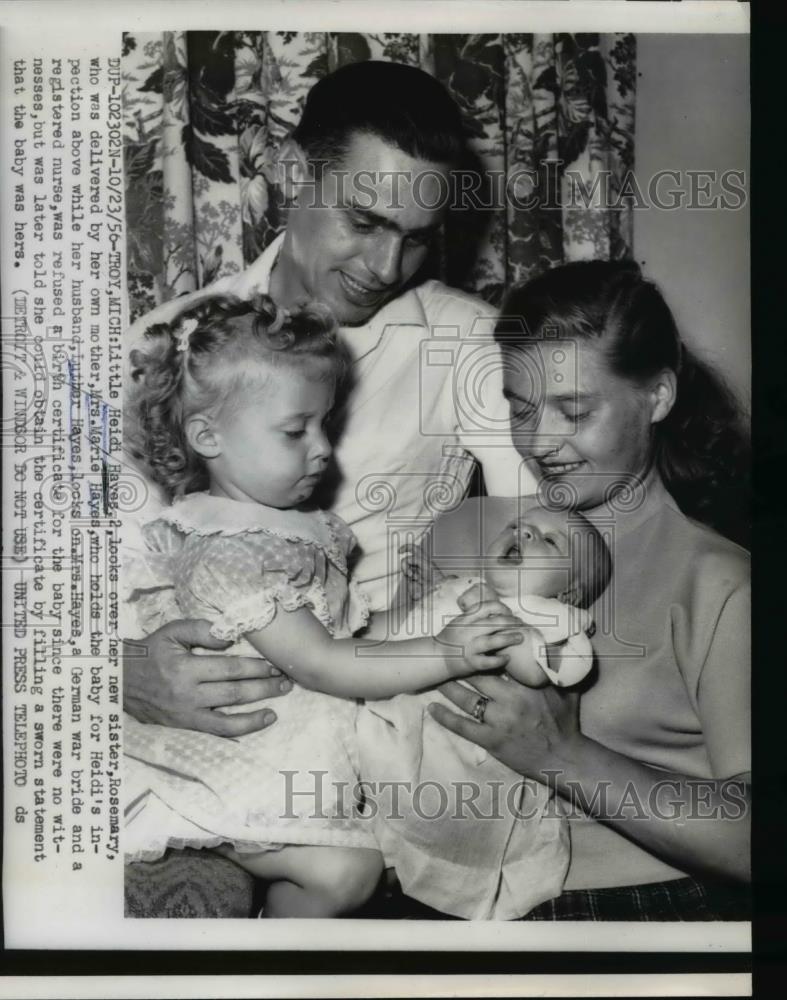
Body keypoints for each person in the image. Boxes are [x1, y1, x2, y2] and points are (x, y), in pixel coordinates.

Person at [122, 60, 536, 743]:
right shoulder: (166, 344)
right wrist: (118, 673)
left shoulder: (470, 343)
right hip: (203, 728)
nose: (384, 267)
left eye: (415, 238)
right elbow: (79, 565)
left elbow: (535, 533)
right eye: (364, 221)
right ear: (290, 172)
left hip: (380, 714)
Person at [123, 294, 523, 918]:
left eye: (324, 426)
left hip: (304, 752)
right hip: (235, 761)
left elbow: (355, 632)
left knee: (404, 838)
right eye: (294, 431)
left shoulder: (302, 529)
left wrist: (441, 612)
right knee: (346, 873)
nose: (323, 450)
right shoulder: (230, 552)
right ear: (207, 435)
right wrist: (446, 651)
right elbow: (323, 662)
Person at [430, 260, 751, 920]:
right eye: (521, 411)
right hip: (455, 905)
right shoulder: (480, 540)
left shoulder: (717, 584)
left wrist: (563, 755)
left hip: (629, 914)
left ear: (656, 397)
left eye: (573, 411)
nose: (540, 442)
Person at [357, 499, 612, 919]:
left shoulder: (556, 619)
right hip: (401, 733)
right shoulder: (463, 587)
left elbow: (535, 669)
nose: (523, 534)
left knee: (434, 836)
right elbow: (383, 636)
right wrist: (404, 607)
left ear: (569, 590)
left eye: (548, 540)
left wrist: (482, 610)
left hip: (462, 771)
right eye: (517, 526)